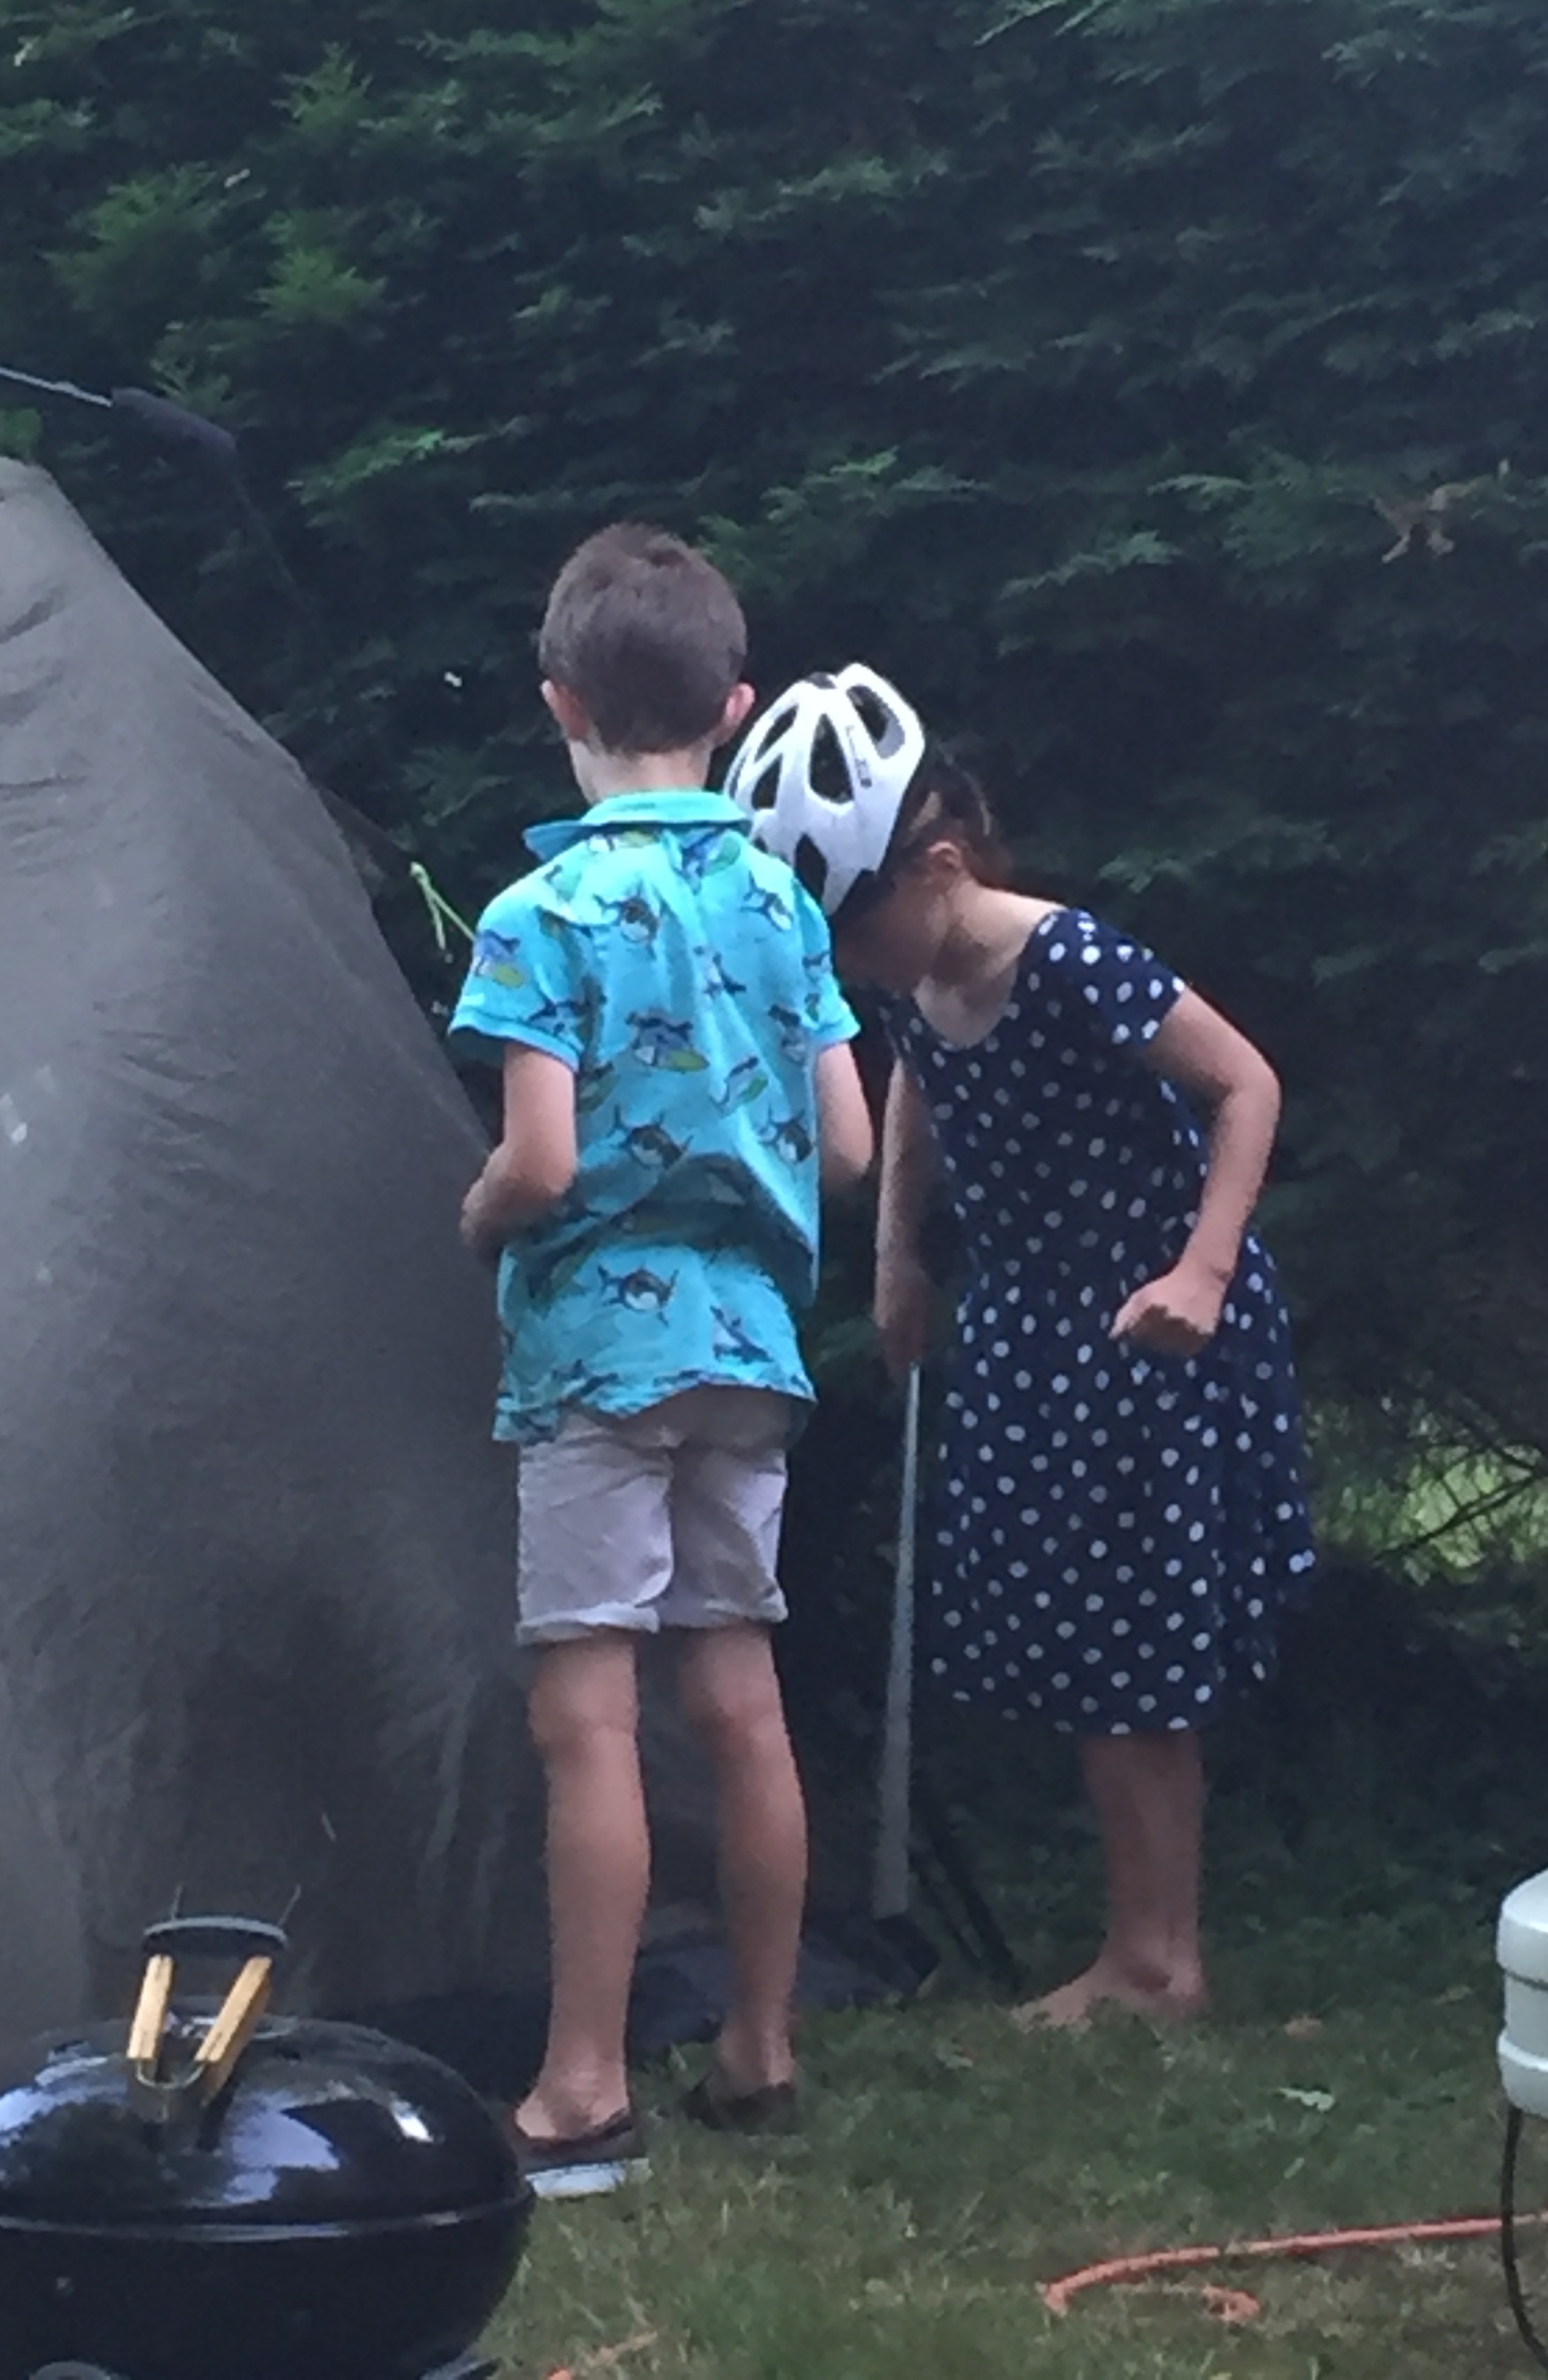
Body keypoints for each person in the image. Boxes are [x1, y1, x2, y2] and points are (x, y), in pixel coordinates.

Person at [726, 666, 1315, 2026]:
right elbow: (918, 1100)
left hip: (1149, 1328)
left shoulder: (1071, 961)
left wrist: (1202, 1271)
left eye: (855, 925)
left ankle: (1158, 1961)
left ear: (939, 867)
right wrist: (899, 1263)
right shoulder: (916, 981)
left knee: (1136, 1658)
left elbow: (1245, 1083)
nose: (847, 960)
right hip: (1036, 1330)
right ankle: (1142, 1944)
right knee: (1082, 1647)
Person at [449, 526, 874, 2194]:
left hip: (599, 1361)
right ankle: (761, 2049)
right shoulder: (779, 899)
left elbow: (542, 1162)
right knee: (739, 1694)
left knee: (590, 1715)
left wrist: (481, 1212)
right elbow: (849, 1146)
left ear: (561, 702)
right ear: (736, 708)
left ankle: (580, 2089)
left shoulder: (539, 911)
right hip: (752, 1348)